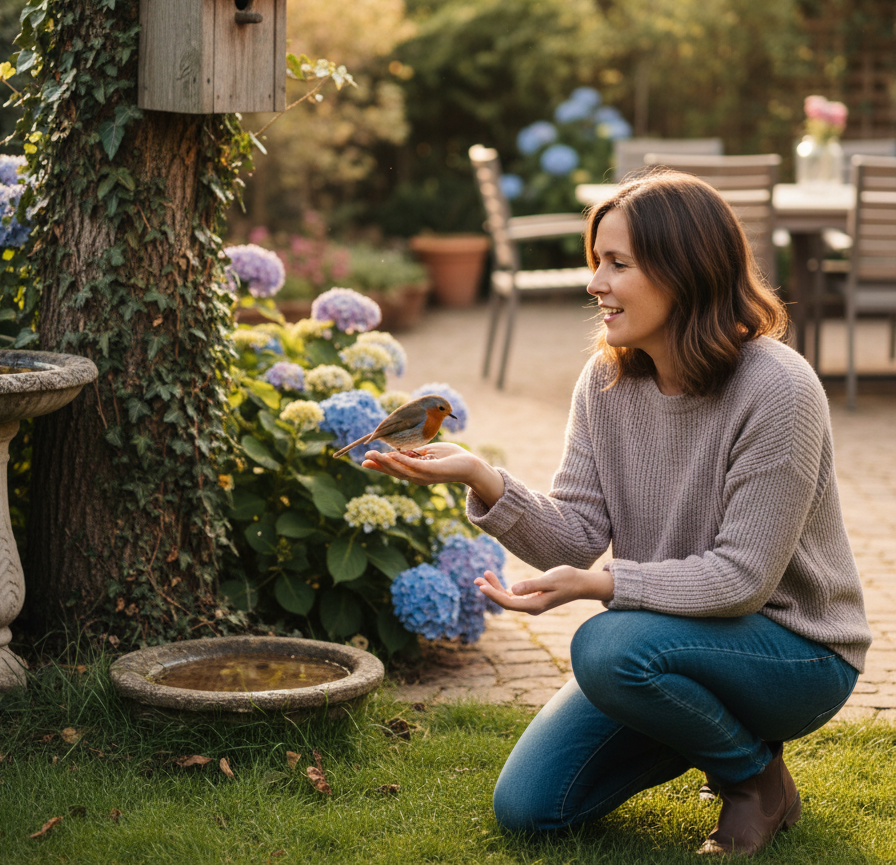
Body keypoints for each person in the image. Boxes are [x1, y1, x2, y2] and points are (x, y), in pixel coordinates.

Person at [364, 171, 870, 857]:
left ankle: (754, 780)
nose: (594, 283)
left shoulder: (778, 388)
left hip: (794, 652)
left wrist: (603, 586)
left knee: (604, 646)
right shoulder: (606, 382)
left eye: (617, 264)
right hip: (667, 644)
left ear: (685, 270)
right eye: (595, 261)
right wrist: (482, 476)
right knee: (529, 808)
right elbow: (573, 534)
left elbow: (742, 579)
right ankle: (708, 728)